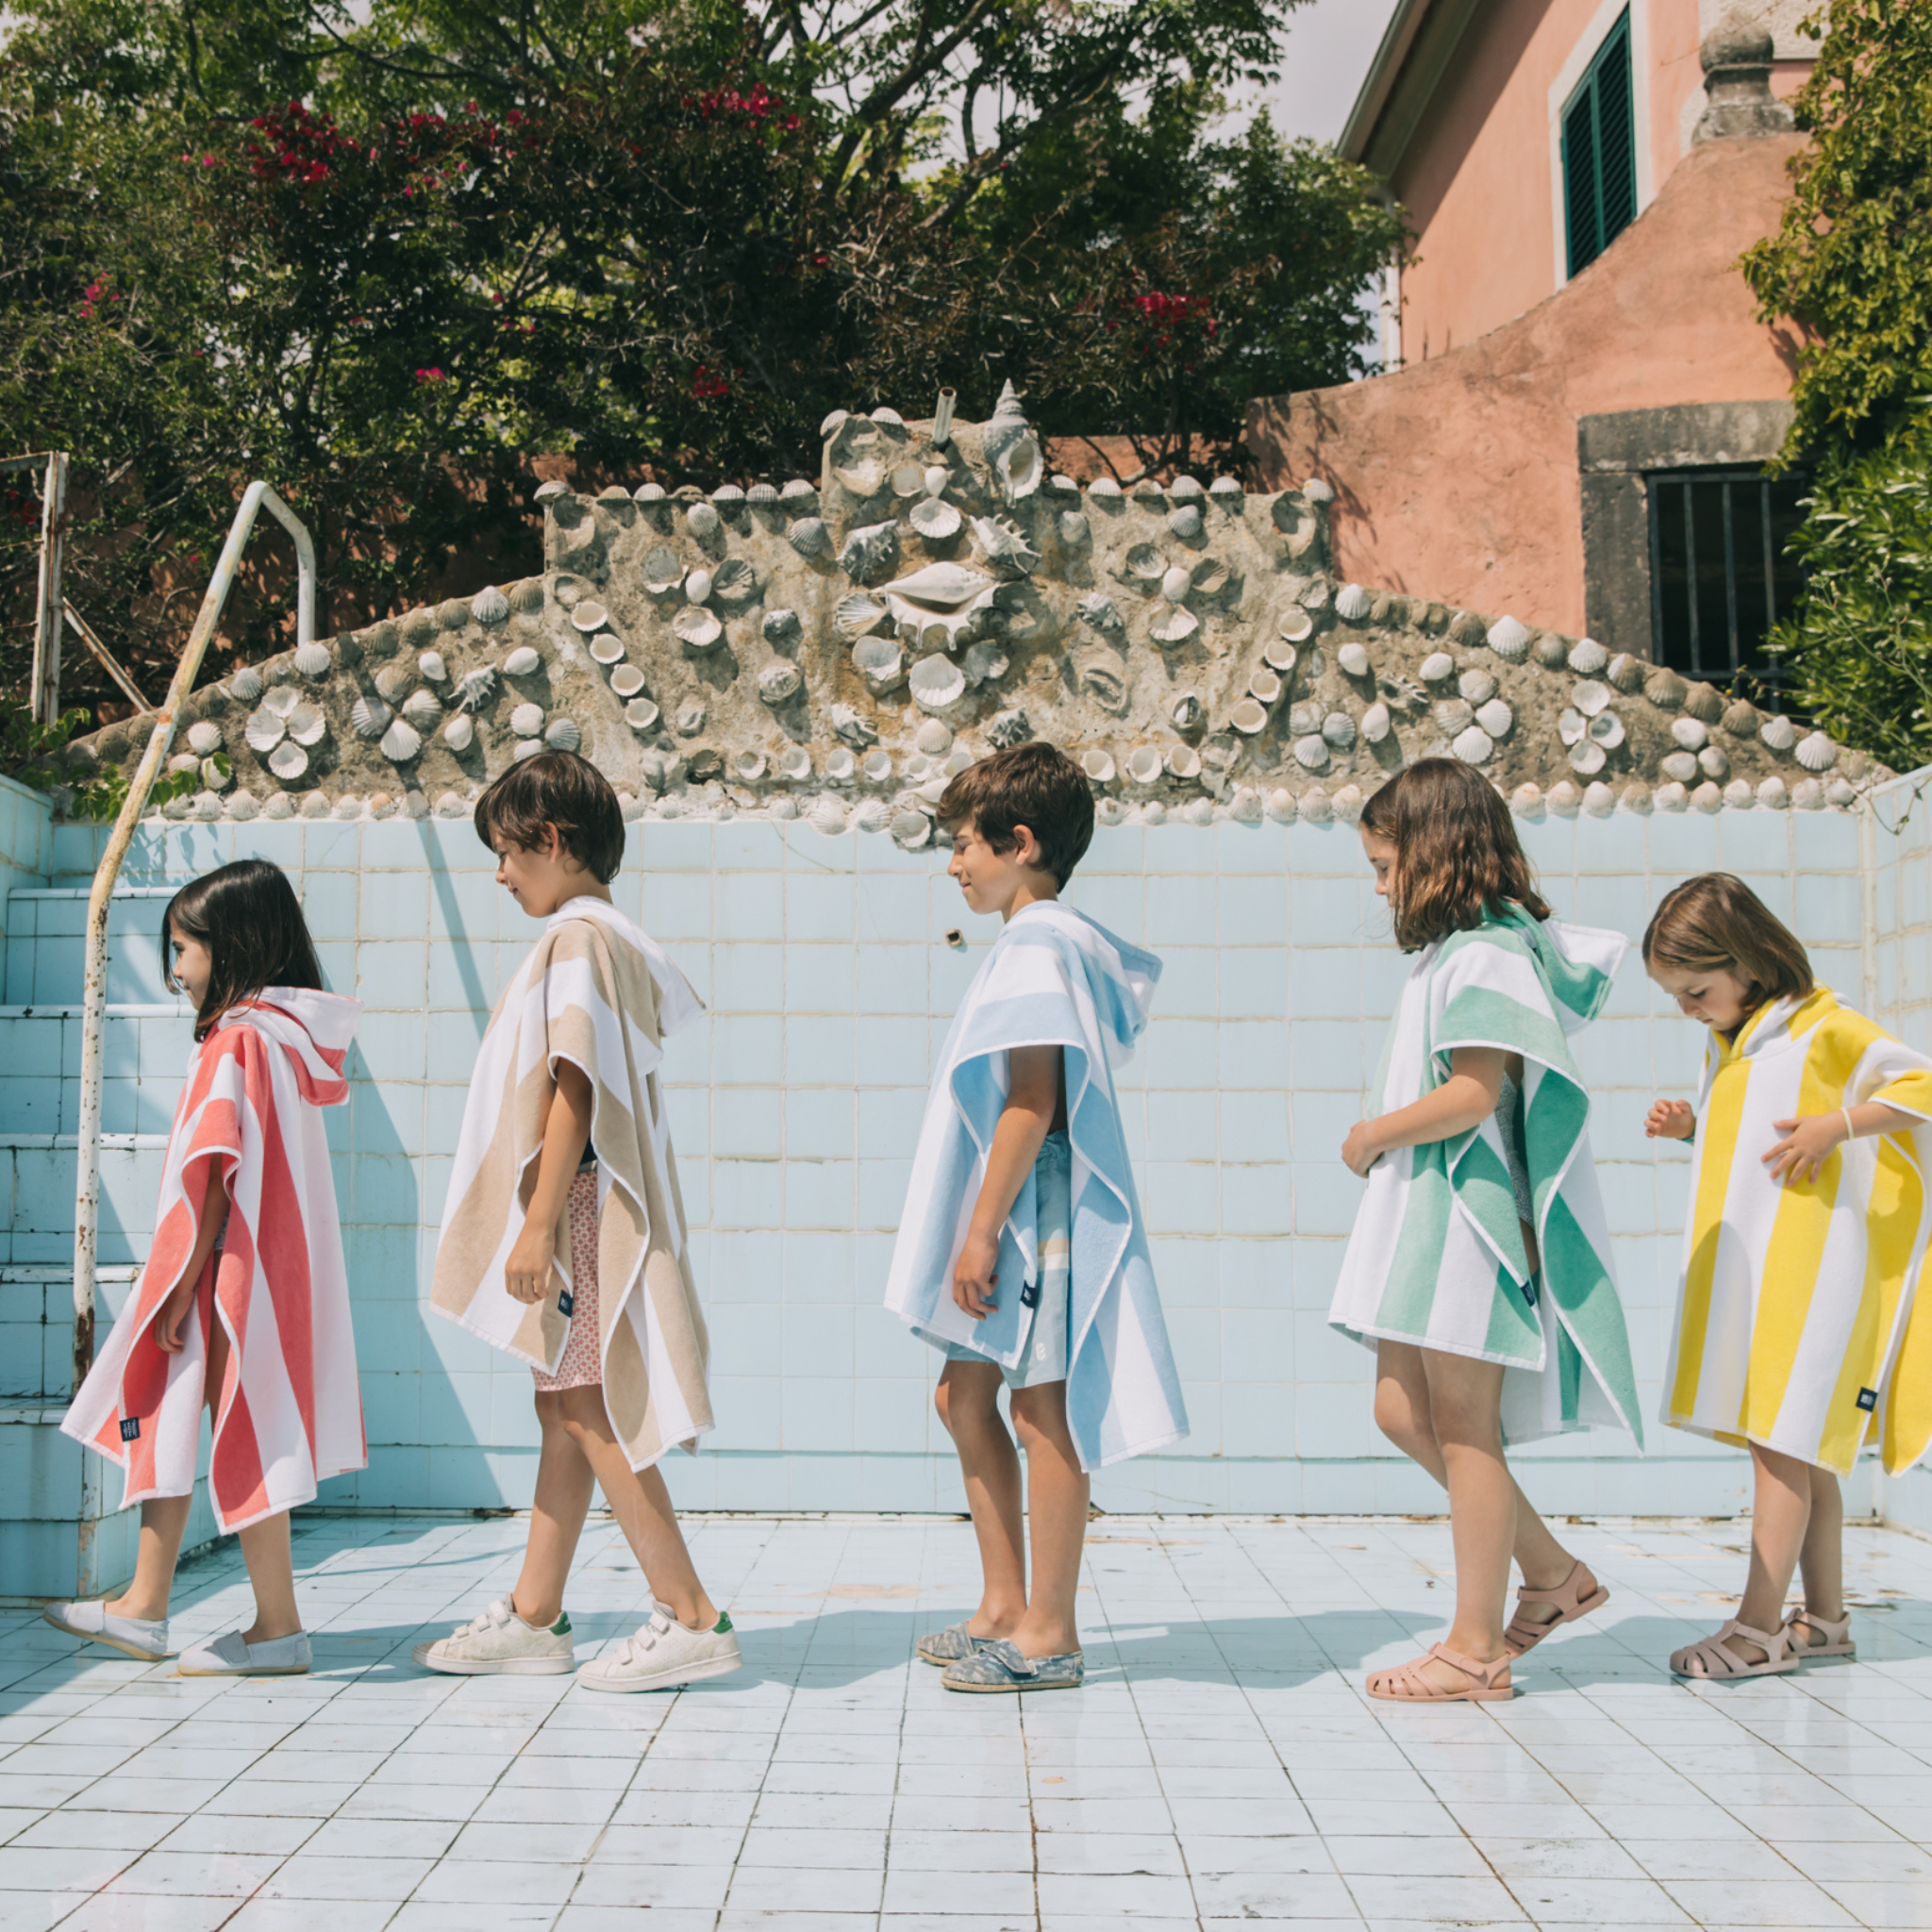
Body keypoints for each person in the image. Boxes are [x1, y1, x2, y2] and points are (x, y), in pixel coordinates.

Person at [418, 751, 737, 1691]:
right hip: (580, 1202)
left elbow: (574, 1087)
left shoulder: (577, 939)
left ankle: (691, 1611)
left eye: (510, 851)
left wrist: (535, 1222)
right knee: (560, 1403)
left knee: (587, 1402)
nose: (501, 872)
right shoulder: (603, 937)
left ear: (553, 841)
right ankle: (533, 1610)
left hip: (579, 1204)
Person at [1330, 759, 1643, 1703]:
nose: (1379, 884)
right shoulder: (1456, 949)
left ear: (1432, 853)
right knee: (1400, 1409)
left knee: (1465, 1427)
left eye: (1386, 862)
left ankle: (1472, 1648)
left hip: (1464, 1218)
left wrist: (1369, 1134)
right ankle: (1552, 1576)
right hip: (1425, 1213)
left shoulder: (1488, 950)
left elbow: (1473, 1093)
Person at [885, 740, 1186, 1692]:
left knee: (1037, 1406)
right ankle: (1001, 1605)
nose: (951, 863)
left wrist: (978, 1232)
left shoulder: (1037, 943)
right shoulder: (1040, 941)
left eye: (963, 842)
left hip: (1030, 1215)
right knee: (961, 1396)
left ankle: (1047, 1629)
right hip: (1018, 1210)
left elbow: (1030, 1099)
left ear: (1019, 842)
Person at [48, 860, 363, 1676]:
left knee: (199, 1417)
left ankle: (246, 1624)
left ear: (233, 948)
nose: (174, 972)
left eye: (183, 950)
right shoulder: (285, 1039)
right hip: (268, 1271)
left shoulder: (235, 1042)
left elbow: (214, 1169)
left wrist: (180, 1285)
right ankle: (169, 1609)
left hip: (224, 1271)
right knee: (210, 1421)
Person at [1644, 873, 1932, 1679]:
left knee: (1780, 1446)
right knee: (1799, 1452)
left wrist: (1839, 1125)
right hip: (1766, 1283)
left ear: (1748, 962)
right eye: (1676, 996)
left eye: (1696, 989)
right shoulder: (1734, 1042)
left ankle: (1756, 1629)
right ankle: (1829, 1623)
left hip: (1813, 1285)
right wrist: (1691, 1128)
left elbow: (1920, 1084)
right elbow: (1751, 1141)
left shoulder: (1823, 1028)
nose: (1688, 1008)